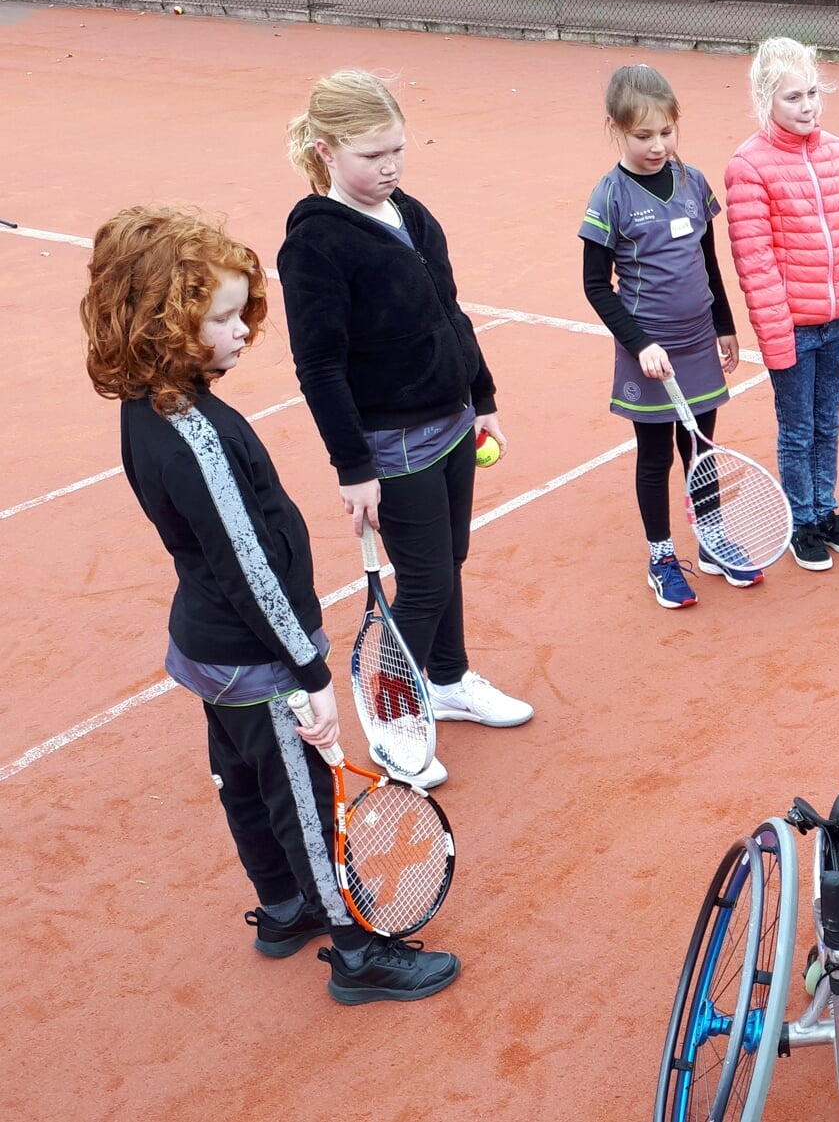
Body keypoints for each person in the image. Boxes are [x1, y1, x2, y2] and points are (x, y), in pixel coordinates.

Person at [87, 205, 460, 1004]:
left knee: (245, 782)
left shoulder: (149, 410)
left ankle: (285, 907)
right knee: (303, 803)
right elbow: (250, 566)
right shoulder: (194, 434)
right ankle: (358, 951)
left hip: (207, 648)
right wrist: (310, 670)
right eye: (220, 318)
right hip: (258, 659)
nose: (241, 331)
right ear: (163, 323)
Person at [279, 70, 533, 770]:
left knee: (449, 564)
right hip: (393, 447)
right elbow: (319, 366)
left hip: (450, 425)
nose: (389, 165)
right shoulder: (315, 246)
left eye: (397, 149)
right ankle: (392, 721)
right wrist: (353, 468)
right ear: (327, 151)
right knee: (423, 583)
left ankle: (447, 681)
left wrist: (481, 397)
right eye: (371, 154)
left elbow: (451, 310)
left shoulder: (412, 214)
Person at [577, 64, 745, 608]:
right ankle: (662, 557)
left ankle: (713, 543)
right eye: (642, 135)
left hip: (699, 343)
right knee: (655, 457)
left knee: (701, 448)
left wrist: (724, 325)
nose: (657, 145)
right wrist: (639, 343)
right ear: (615, 130)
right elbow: (595, 286)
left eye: (666, 132)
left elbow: (707, 260)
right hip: (648, 352)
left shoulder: (694, 182)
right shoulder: (610, 196)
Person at [726, 37, 839, 572]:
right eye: (793, 97)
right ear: (765, 99)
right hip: (791, 327)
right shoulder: (748, 167)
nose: (807, 106)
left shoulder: (838, 153)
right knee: (796, 429)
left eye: (813, 93)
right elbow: (756, 261)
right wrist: (774, 336)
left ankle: (824, 510)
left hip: (838, 319)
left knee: (827, 422)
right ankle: (801, 521)